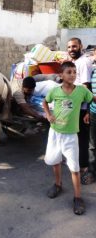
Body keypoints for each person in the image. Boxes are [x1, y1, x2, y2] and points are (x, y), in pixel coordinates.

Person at [43, 61, 94, 215]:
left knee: (74, 167)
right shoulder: (55, 91)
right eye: (69, 72)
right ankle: (58, 184)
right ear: (61, 75)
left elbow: (92, 100)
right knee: (55, 160)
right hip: (55, 134)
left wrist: (88, 113)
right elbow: (45, 102)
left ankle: (78, 198)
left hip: (71, 136)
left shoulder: (82, 91)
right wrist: (48, 114)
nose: (72, 75)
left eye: (74, 72)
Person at [67, 37, 94, 185]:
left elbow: (85, 88)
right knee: (77, 139)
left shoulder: (83, 62)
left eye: (74, 46)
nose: (71, 49)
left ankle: (84, 169)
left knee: (83, 140)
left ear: (81, 46)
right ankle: (79, 165)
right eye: (69, 47)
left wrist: (88, 111)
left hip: (81, 109)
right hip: (75, 108)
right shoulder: (76, 62)